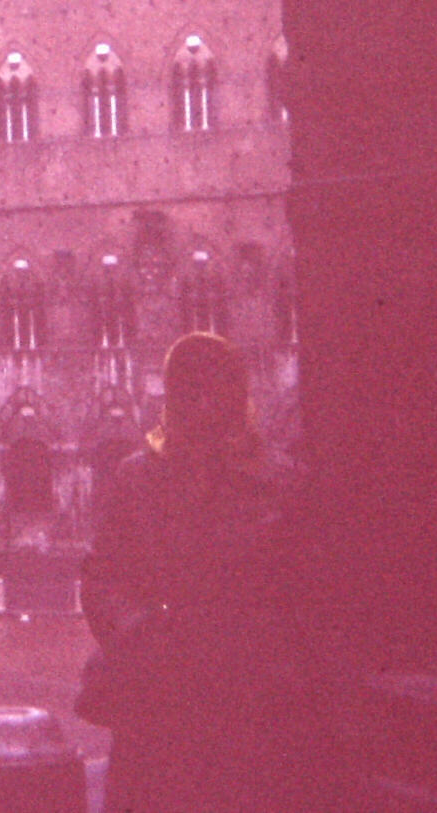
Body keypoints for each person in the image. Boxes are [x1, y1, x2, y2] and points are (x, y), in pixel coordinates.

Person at [77, 332, 323, 811]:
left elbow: (313, 596)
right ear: (172, 398)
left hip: (253, 712)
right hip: (159, 703)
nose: (204, 404)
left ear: (238, 396)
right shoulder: (138, 480)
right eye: (189, 390)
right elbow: (101, 576)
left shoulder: (282, 484)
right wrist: (140, 629)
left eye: (216, 389)